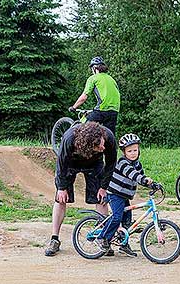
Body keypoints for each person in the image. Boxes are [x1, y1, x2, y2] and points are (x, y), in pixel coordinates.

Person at [45, 122, 117, 256]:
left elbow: (111, 164)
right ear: (88, 146)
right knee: (60, 199)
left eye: (102, 143)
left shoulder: (108, 138)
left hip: (94, 165)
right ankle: (54, 239)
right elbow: (61, 164)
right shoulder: (69, 139)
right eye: (98, 146)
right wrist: (61, 188)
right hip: (70, 164)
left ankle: (104, 239)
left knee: (101, 199)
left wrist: (103, 187)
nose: (103, 147)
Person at [95, 133, 153, 257]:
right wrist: (143, 179)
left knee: (127, 222)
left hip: (125, 196)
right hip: (115, 194)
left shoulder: (137, 164)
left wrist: (152, 185)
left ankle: (123, 245)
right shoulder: (122, 162)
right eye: (129, 151)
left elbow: (140, 176)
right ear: (124, 152)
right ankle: (102, 238)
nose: (133, 153)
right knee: (117, 217)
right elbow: (133, 174)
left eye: (135, 150)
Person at [69, 56, 121, 134]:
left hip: (102, 109)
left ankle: (74, 142)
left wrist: (74, 107)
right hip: (115, 110)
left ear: (94, 68)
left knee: (82, 125)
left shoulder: (93, 78)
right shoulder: (112, 79)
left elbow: (84, 97)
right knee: (109, 135)